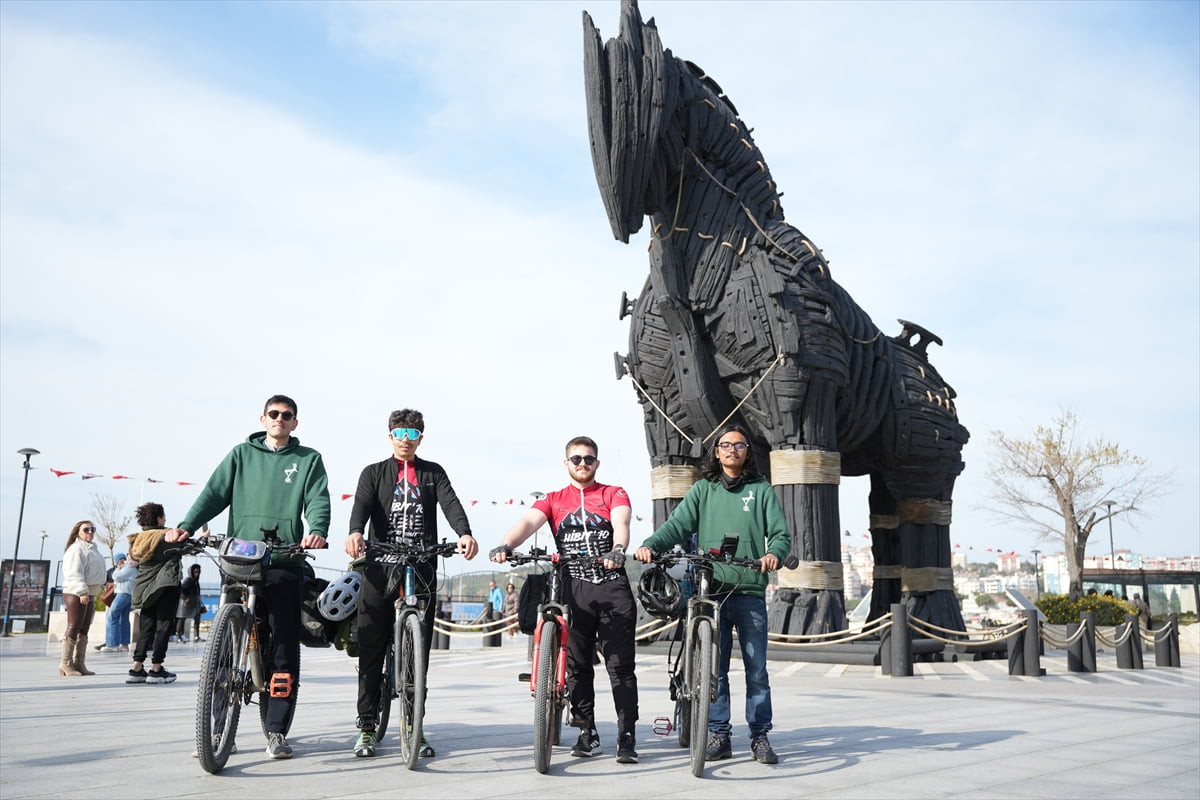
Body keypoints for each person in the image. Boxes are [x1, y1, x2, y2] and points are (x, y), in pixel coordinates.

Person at [171, 394, 331, 759]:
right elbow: (213, 494)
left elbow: (318, 499)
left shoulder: (308, 459)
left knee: (283, 647)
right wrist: (186, 526)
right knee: (225, 649)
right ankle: (217, 730)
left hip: (285, 560)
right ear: (263, 419)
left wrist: (317, 530)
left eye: (287, 415)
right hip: (240, 559)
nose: (279, 419)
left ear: (295, 423)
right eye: (273, 413)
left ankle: (276, 731)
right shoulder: (241, 455)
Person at [635, 424, 791, 765]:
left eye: (739, 445)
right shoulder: (703, 489)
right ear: (717, 452)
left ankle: (760, 736)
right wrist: (650, 545)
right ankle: (719, 734)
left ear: (747, 451)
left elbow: (781, 534)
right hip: (711, 591)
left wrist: (773, 553)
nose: (732, 449)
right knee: (712, 670)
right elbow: (677, 525)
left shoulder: (761, 489)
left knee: (757, 670)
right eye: (725, 445)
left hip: (749, 589)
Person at [491, 435, 640, 764]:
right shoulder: (554, 499)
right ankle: (587, 731)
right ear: (566, 463)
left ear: (597, 463)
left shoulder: (613, 493)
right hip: (573, 589)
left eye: (588, 459)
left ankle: (626, 735)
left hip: (611, 586)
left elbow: (621, 521)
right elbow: (527, 522)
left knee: (620, 667)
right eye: (576, 459)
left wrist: (618, 549)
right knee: (577, 666)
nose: (582, 463)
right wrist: (507, 545)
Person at [343, 408, 478, 759]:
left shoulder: (433, 473)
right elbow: (361, 505)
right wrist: (355, 532)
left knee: (419, 655)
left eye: (412, 434)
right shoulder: (373, 472)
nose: (406, 440)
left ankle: (412, 725)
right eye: (400, 433)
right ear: (390, 436)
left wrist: (464, 533)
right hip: (380, 567)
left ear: (421, 438)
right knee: (372, 647)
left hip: (421, 567)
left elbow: (450, 503)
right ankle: (367, 725)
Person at [127, 502, 188, 684]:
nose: (166, 519)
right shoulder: (165, 536)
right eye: (164, 516)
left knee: (146, 629)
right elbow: (185, 545)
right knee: (163, 626)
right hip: (165, 586)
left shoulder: (138, 539)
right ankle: (156, 669)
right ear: (159, 518)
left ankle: (137, 668)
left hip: (145, 588)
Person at [59, 520, 107, 676]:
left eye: (93, 529)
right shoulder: (76, 549)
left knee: (84, 629)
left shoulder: (93, 548)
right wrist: (82, 591)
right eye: (86, 529)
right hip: (76, 593)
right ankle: (66, 663)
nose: (90, 532)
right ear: (78, 532)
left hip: (90, 593)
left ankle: (79, 663)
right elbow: (73, 572)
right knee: (74, 626)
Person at [100, 554, 137, 652]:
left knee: (112, 616)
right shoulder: (132, 566)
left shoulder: (129, 566)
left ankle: (112, 644)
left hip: (122, 594)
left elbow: (116, 577)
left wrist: (118, 568)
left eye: (124, 557)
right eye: (120, 559)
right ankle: (124, 645)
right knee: (123, 619)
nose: (123, 560)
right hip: (129, 594)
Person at [175, 564, 203, 643]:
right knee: (182, 619)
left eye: (198, 572)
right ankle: (178, 636)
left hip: (194, 602)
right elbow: (182, 590)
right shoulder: (188, 580)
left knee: (197, 618)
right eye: (195, 572)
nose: (197, 574)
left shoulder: (196, 581)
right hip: (186, 603)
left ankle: (196, 636)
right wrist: (185, 598)